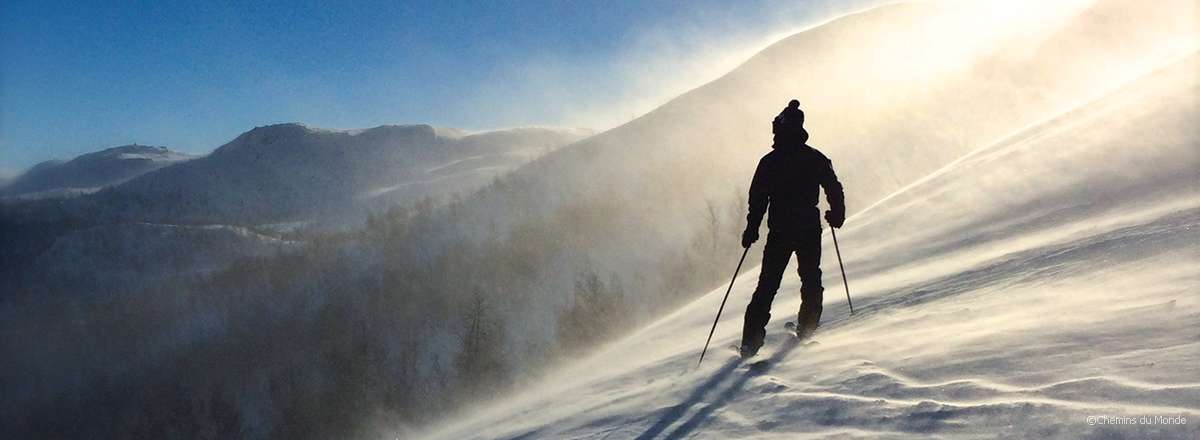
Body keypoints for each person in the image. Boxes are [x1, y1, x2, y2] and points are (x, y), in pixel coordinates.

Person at [739, 99, 845, 358]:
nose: (774, 134)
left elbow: (758, 198)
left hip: (780, 231)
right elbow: (833, 186)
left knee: (767, 285)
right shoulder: (815, 157)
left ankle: (751, 343)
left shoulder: (769, 162)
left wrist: (752, 229)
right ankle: (807, 328)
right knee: (810, 278)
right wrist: (837, 214)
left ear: (782, 130)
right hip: (809, 228)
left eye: (776, 129)